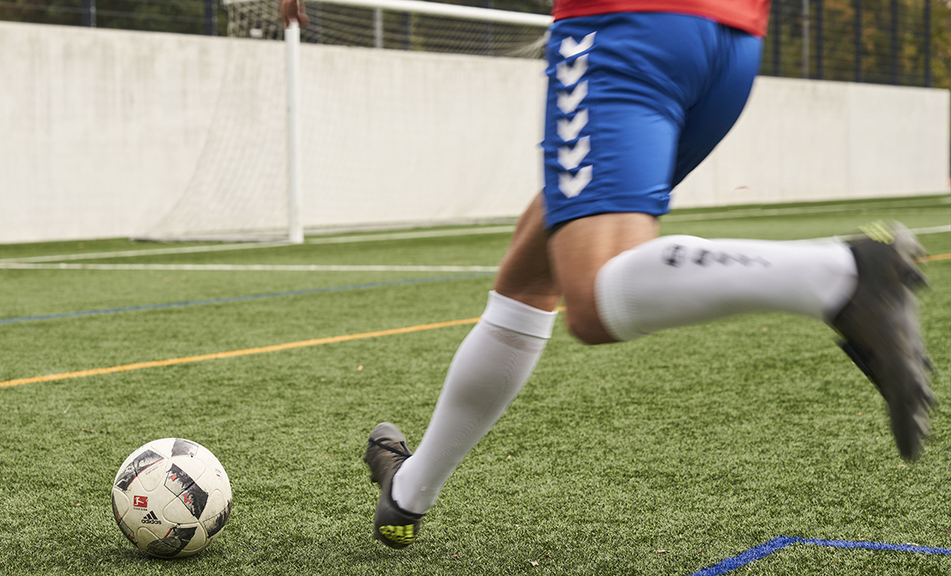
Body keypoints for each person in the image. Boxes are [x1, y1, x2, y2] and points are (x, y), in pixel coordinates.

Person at [280, 0, 935, 549]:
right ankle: (408, 495)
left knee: (594, 291)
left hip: (625, 28)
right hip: (731, 41)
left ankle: (841, 275)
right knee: (533, 269)